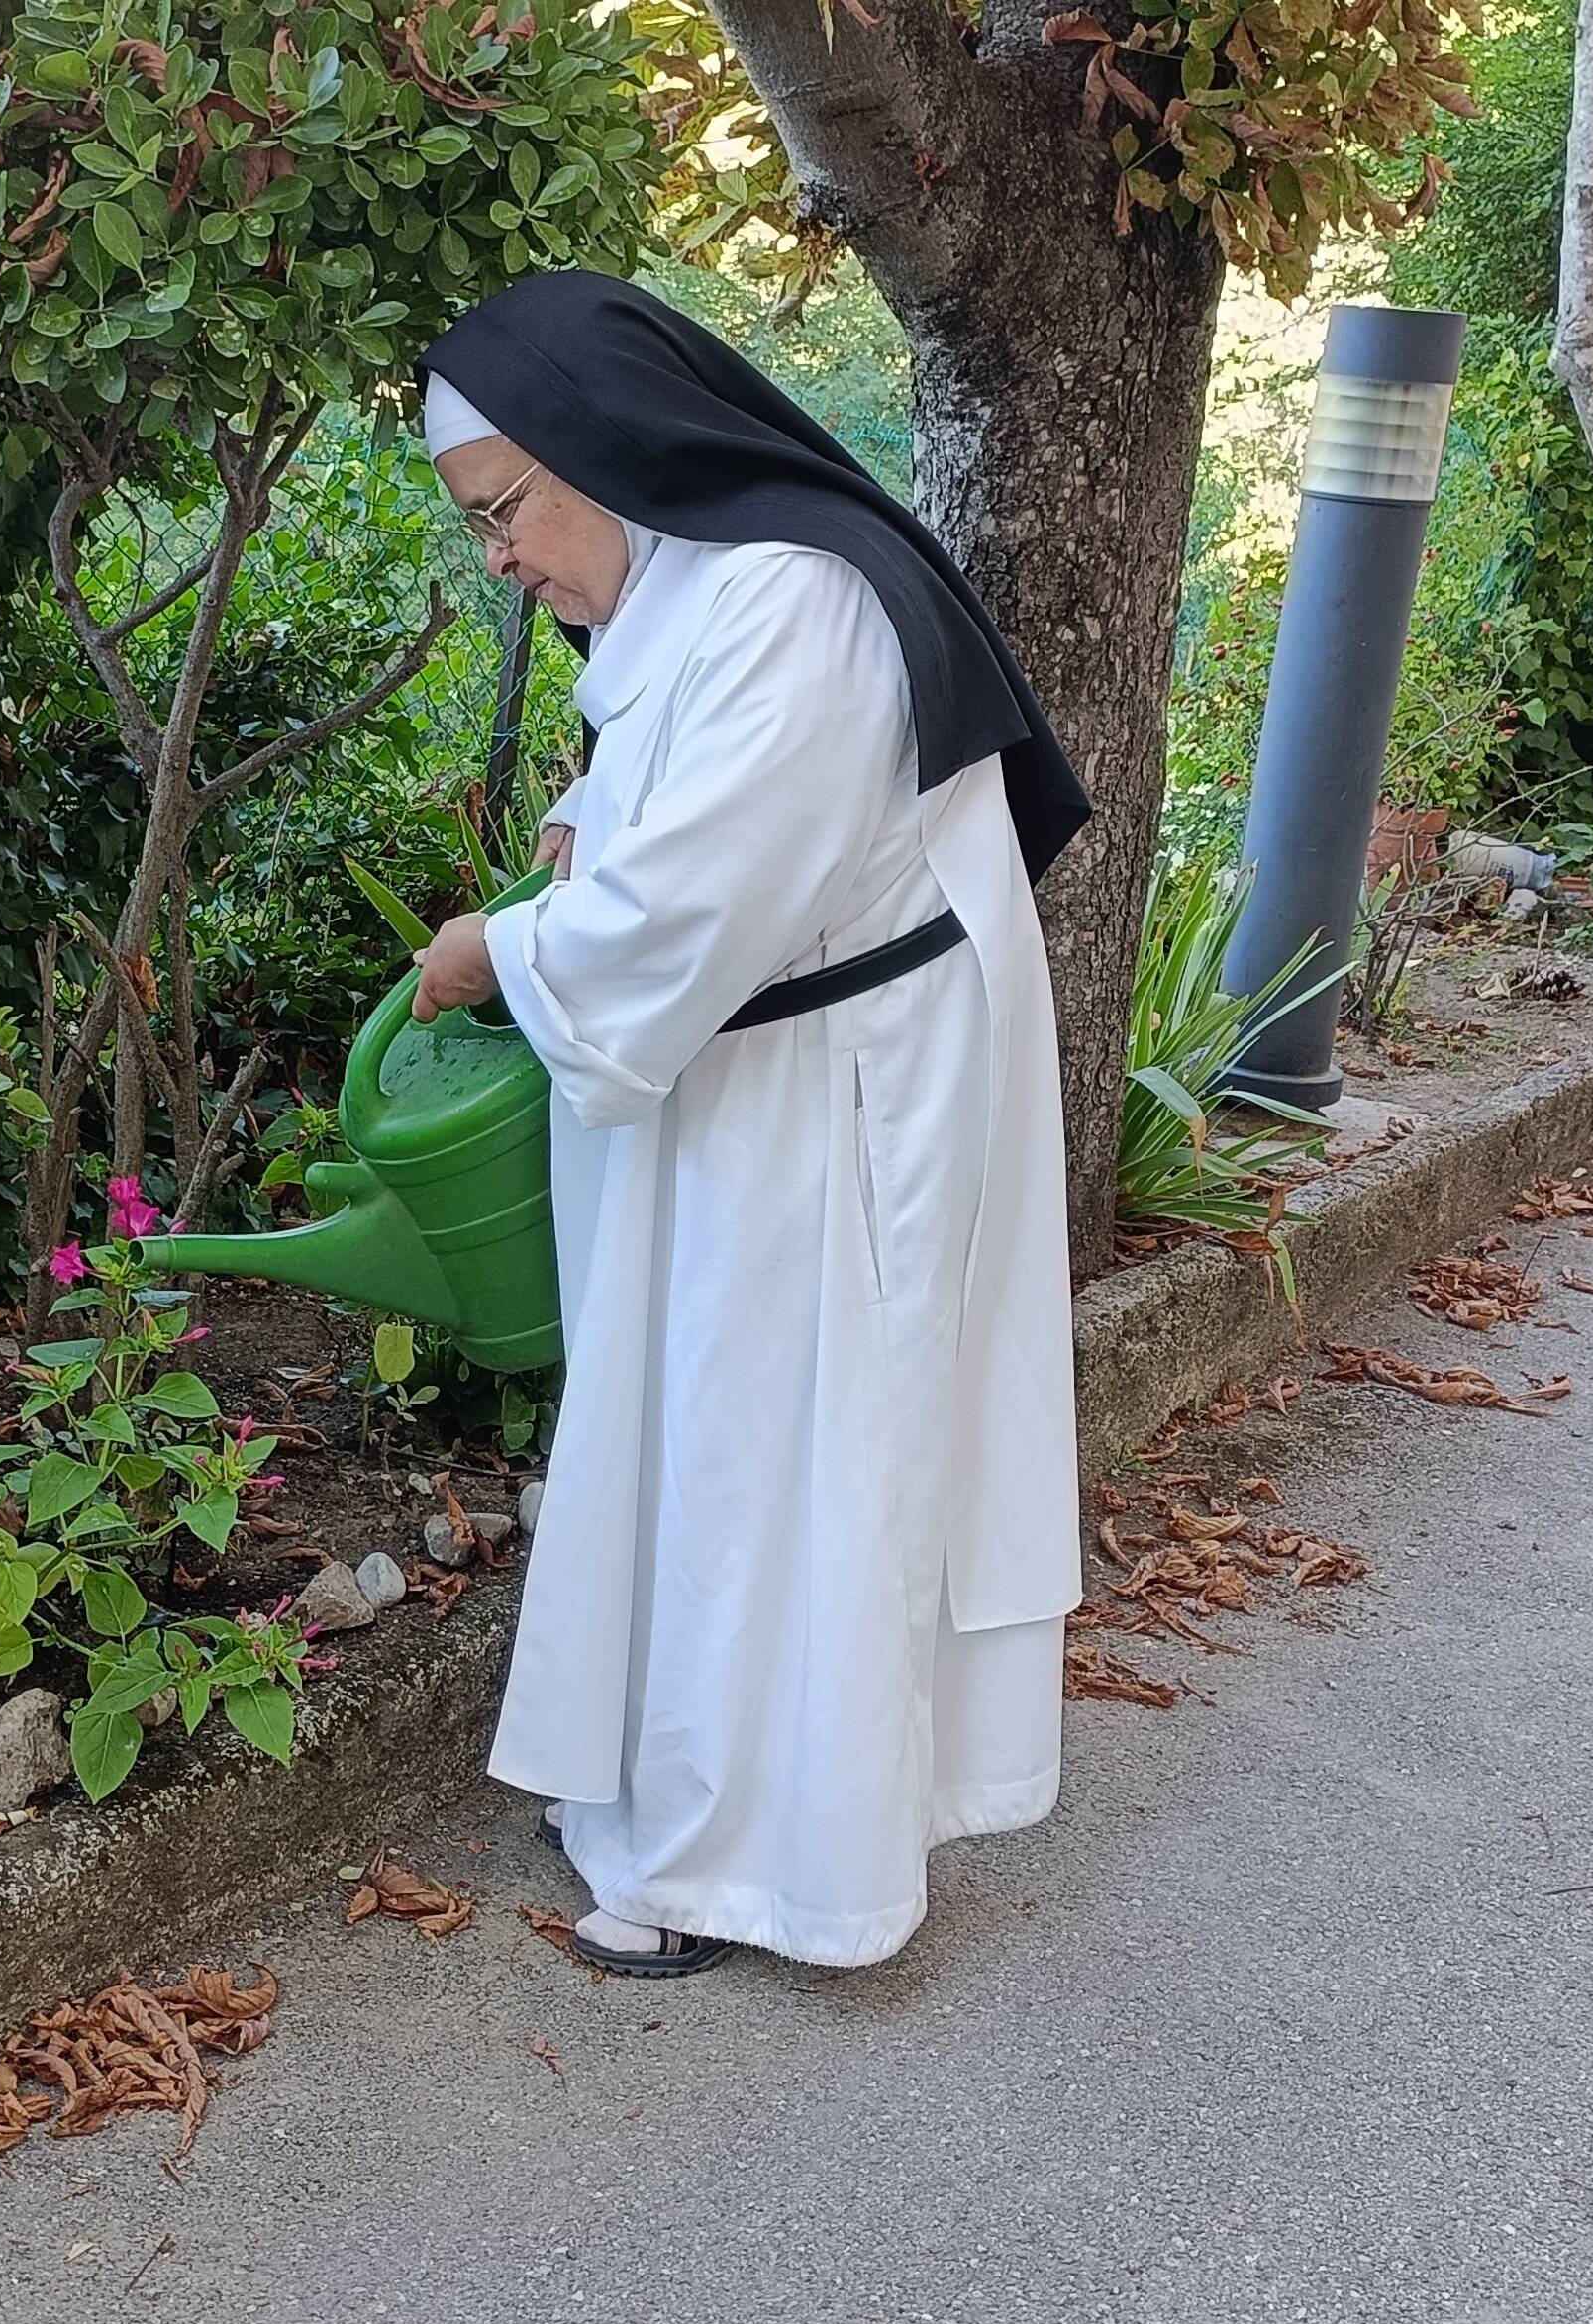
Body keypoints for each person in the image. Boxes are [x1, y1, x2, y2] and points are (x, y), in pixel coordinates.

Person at [399, 271, 1084, 1978]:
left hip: (834, 1107)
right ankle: (678, 1805)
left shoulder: (792, 603)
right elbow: (684, 792)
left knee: (782, 1459)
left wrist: (502, 951)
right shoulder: (700, 581)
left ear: (601, 452)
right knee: (713, 1447)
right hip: (759, 1084)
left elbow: (692, 902)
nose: (496, 559)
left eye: (503, 513)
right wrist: (581, 820)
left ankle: (758, 1867)